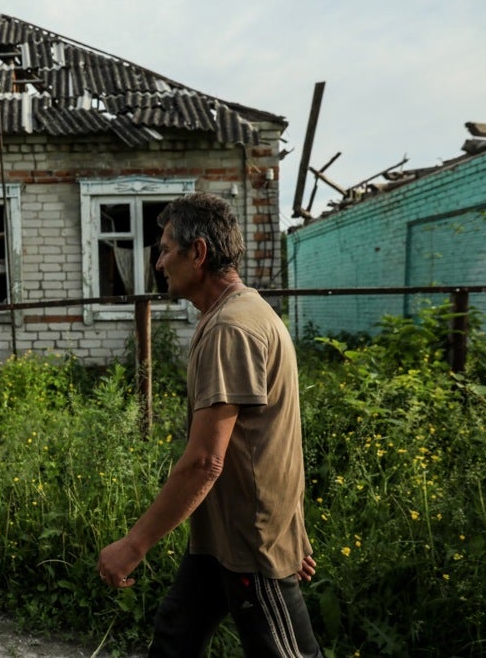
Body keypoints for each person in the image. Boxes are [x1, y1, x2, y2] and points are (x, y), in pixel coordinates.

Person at [96, 192, 321, 657]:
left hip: (250, 541)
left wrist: (134, 544)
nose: (159, 264)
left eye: (165, 250)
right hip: (222, 533)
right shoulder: (239, 313)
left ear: (197, 253)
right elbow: (266, 439)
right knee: (176, 634)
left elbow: (204, 461)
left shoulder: (231, 329)